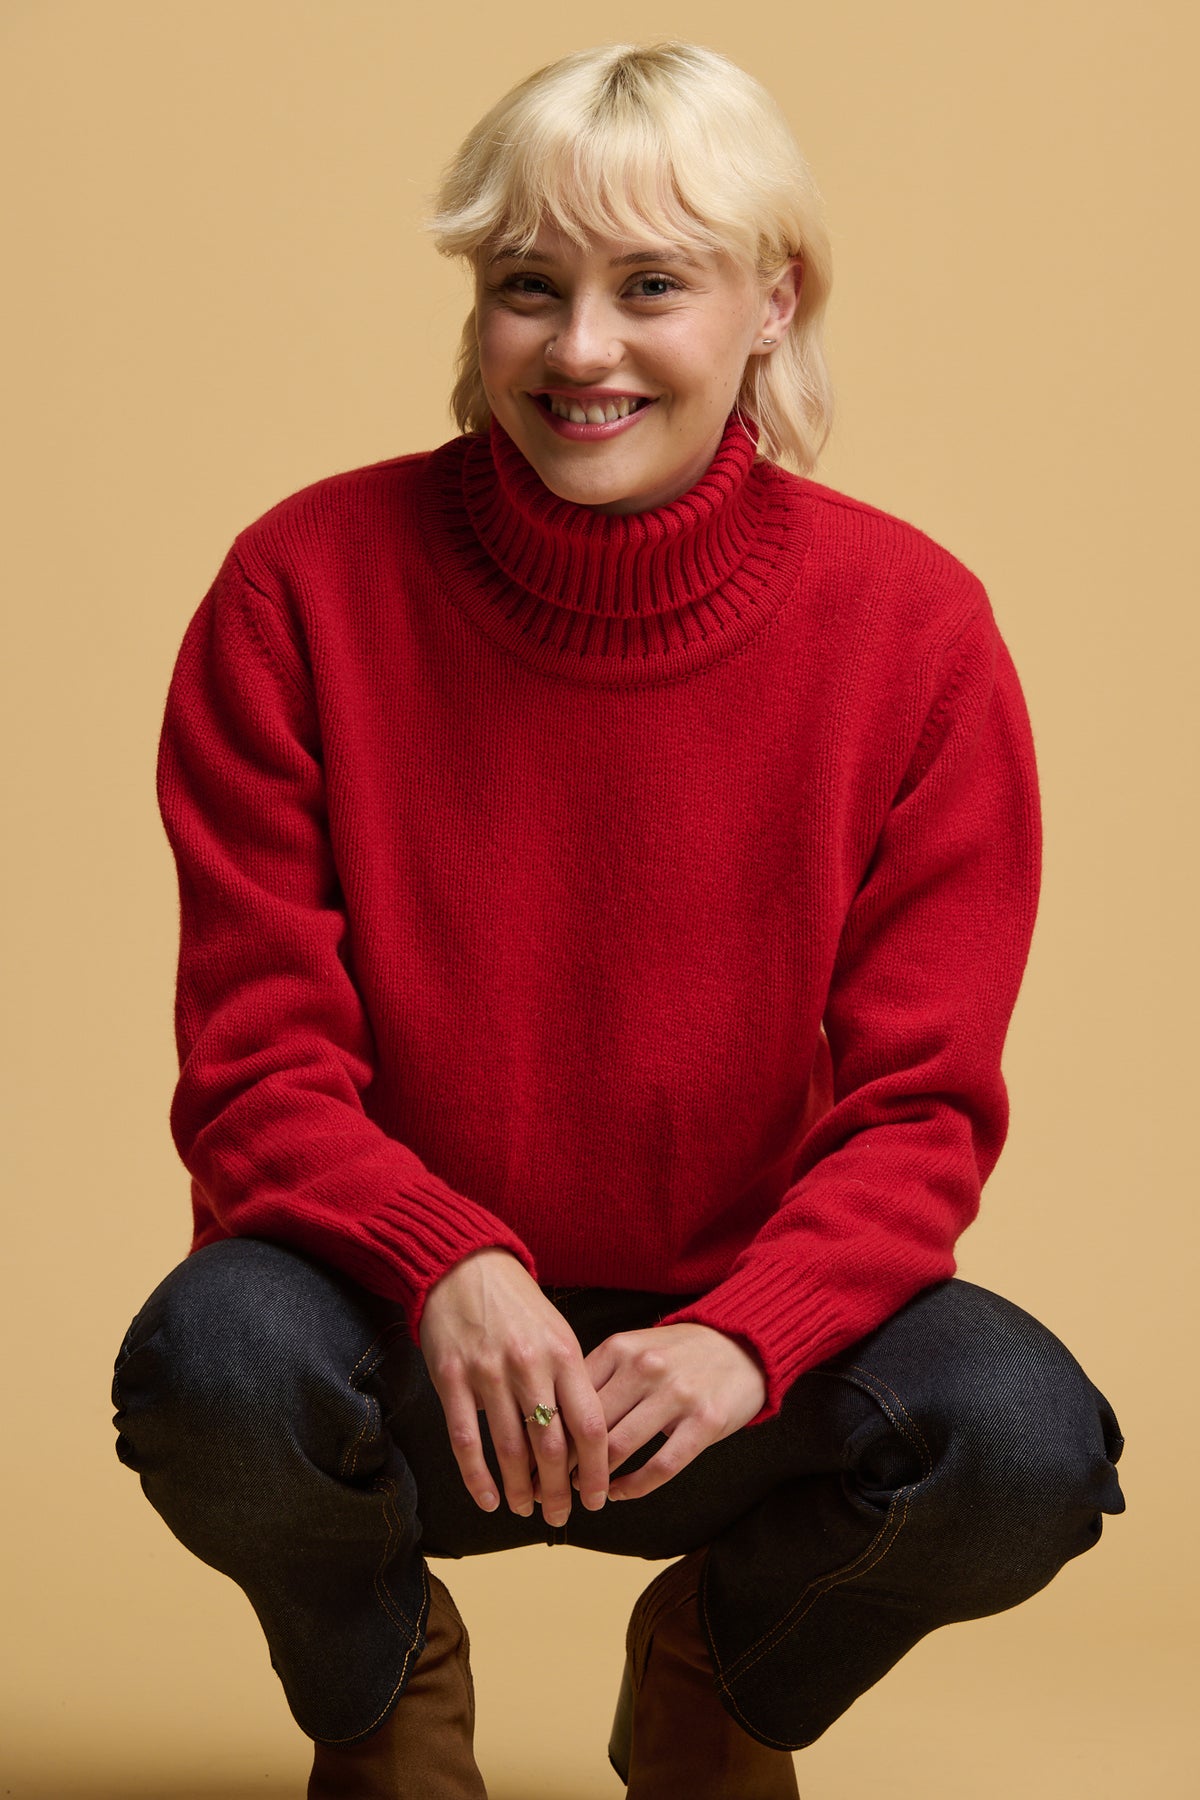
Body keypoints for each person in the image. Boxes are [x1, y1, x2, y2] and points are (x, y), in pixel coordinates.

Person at [110, 39, 1126, 1800]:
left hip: (729, 1368)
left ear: (769, 300)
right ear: (479, 307)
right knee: (209, 1364)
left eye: (651, 284)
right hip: (404, 1346)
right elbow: (256, 1064)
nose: (581, 349)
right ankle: (382, 1699)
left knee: (1024, 1441)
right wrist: (444, 1256)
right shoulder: (299, 591)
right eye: (528, 287)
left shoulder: (918, 635)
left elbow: (924, 1107)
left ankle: (719, 1676)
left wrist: (751, 1332)